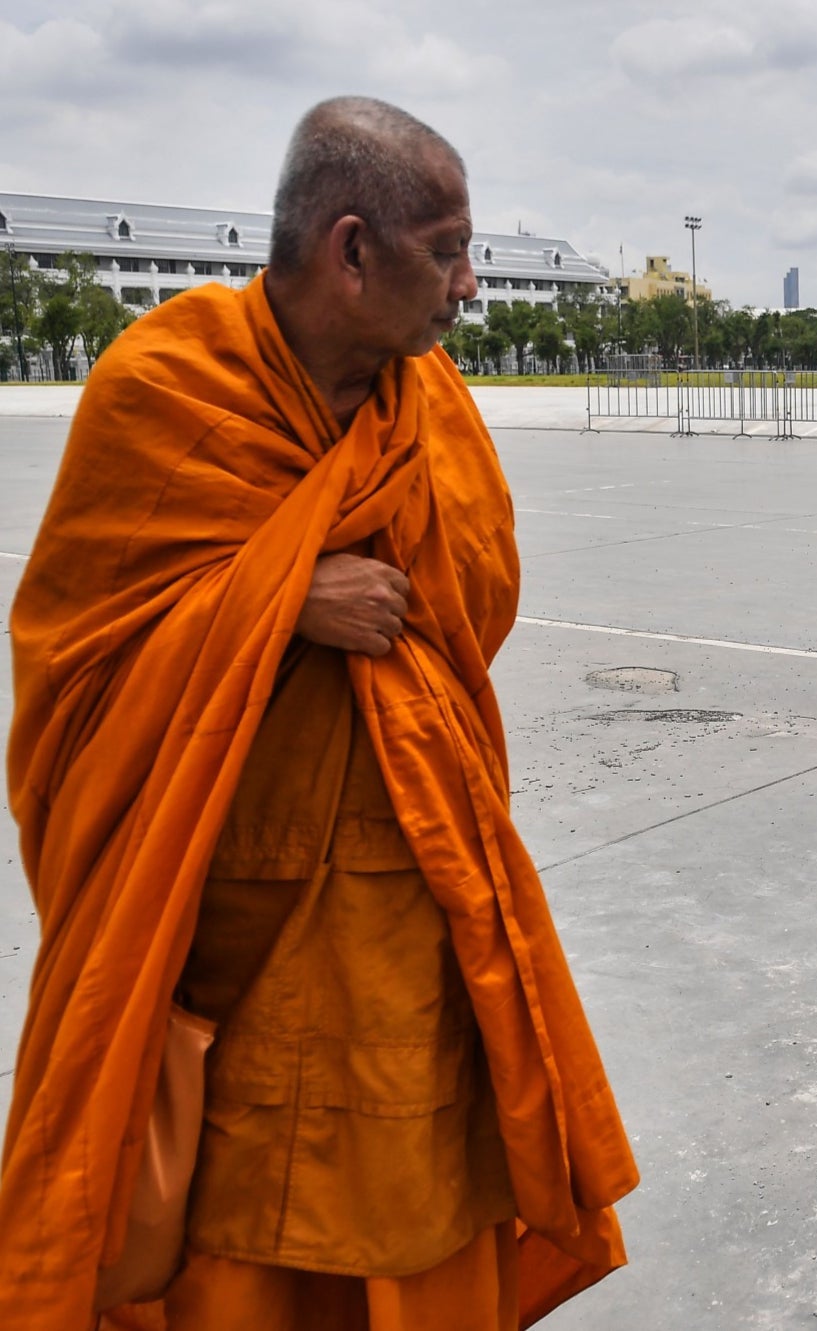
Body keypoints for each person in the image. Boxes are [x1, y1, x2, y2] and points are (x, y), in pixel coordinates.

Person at [1, 98, 637, 1329]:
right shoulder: (168, 384)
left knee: (415, 1173)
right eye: (445, 252)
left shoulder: (428, 400)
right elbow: (75, 657)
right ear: (351, 251)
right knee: (234, 1197)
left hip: (409, 871)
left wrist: (309, 582)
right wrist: (281, 593)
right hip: (230, 892)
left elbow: (473, 603)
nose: (468, 286)